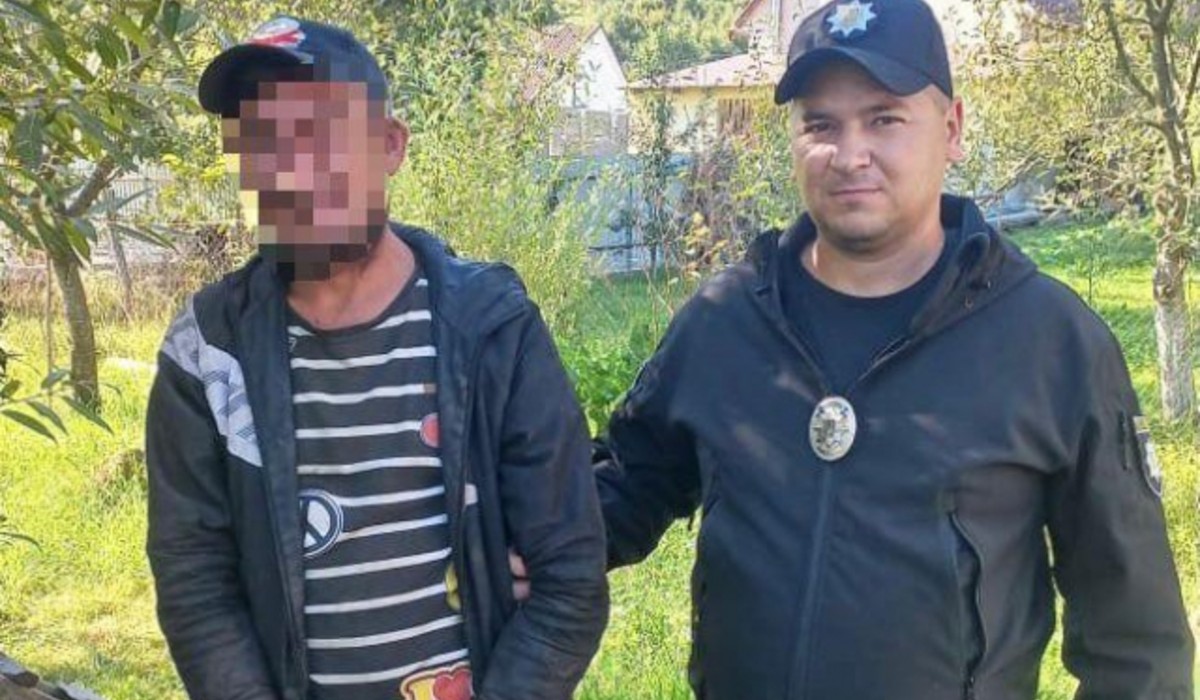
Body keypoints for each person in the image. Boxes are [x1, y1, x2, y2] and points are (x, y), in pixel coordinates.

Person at [593, 1, 1194, 698]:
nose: (850, 155)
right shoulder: (725, 321)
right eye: (821, 124)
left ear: (953, 128)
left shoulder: (1049, 342)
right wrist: (509, 529)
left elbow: (1136, 643)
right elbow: (625, 487)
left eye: (884, 119)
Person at [145, 17, 607, 700]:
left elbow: (569, 581)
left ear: (390, 145)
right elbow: (196, 586)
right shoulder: (208, 355)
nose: (288, 171)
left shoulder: (491, 330)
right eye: (260, 142)